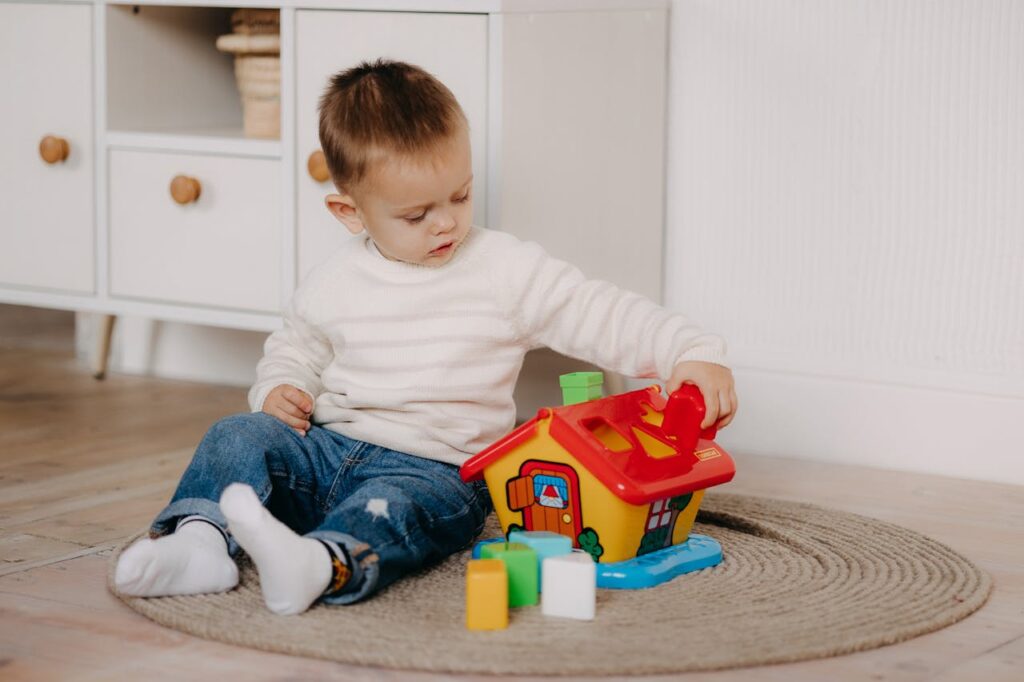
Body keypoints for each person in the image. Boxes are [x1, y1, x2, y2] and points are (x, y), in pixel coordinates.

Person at [113, 59, 738, 615]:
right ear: (350, 212)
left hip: (437, 469)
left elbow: (598, 310)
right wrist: (280, 387)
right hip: (327, 450)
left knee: (396, 511)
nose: (446, 224)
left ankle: (322, 562)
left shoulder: (502, 270)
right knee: (235, 435)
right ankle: (199, 541)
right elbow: (296, 348)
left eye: (460, 196)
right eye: (415, 215)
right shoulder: (333, 280)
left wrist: (689, 351)